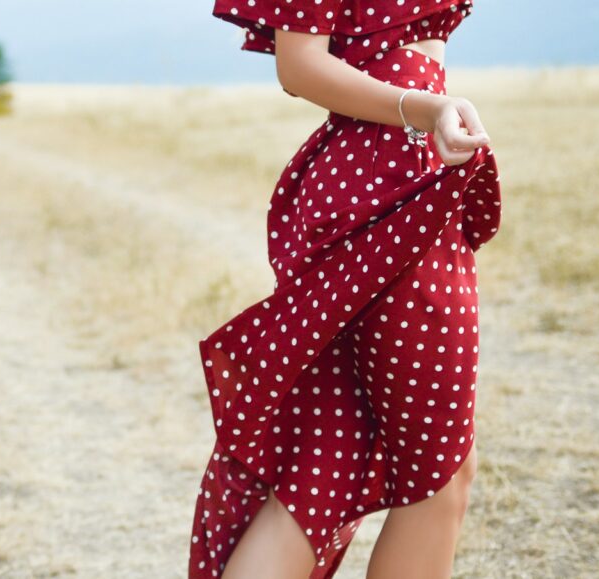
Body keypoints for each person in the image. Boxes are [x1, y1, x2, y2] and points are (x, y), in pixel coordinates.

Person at [189, 1, 504, 577]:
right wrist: (427, 108)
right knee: (440, 473)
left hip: (382, 165)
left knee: (326, 460)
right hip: (389, 172)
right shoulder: (411, 118)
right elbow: (300, 64)